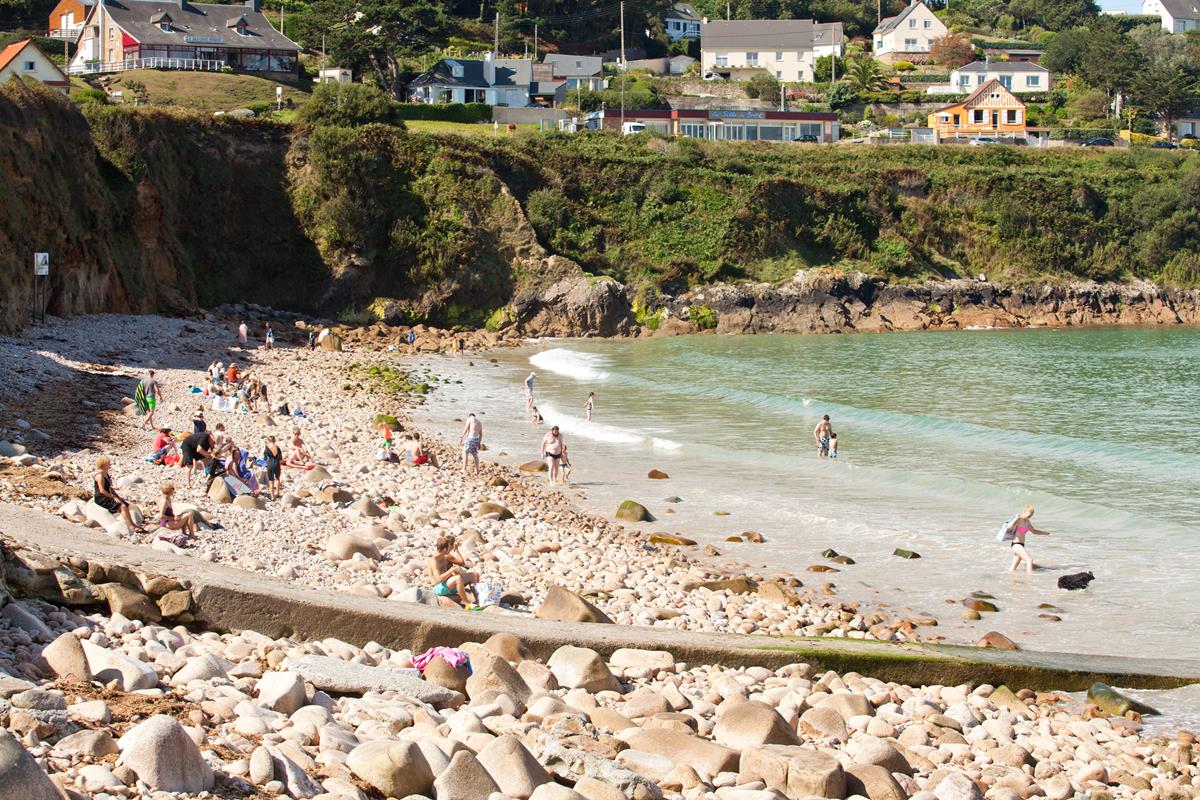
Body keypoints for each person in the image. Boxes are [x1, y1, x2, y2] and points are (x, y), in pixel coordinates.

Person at [93, 456, 142, 532]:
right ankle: (131, 526)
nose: (110, 464)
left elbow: (109, 487)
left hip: (108, 494)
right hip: (101, 497)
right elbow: (102, 490)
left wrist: (117, 495)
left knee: (125, 504)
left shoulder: (106, 474)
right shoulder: (100, 476)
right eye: (108, 463)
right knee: (123, 507)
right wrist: (113, 497)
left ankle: (132, 524)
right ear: (103, 465)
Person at [426, 535, 478, 606]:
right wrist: (451, 570)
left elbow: (462, 563)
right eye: (449, 547)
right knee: (457, 578)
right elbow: (439, 579)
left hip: (448, 585)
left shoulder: (445, 556)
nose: (451, 548)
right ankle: (467, 603)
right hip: (438, 588)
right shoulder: (433, 561)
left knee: (473, 575)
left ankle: (479, 599)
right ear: (445, 549)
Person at [1007, 505, 1051, 574]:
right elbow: (1009, 527)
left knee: (1013, 567)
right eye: (1029, 514)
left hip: (1021, 544)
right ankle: (1030, 577)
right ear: (1025, 511)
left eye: (1031, 515)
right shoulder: (1019, 519)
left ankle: (1010, 577)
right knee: (1029, 560)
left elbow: (1034, 531)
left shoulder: (1027, 522)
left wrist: (1046, 533)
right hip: (1016, 544)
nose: (1030, 516)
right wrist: (1015, 518)